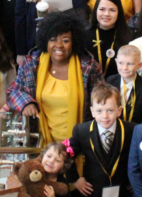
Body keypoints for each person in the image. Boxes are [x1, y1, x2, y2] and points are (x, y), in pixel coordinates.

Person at [7, 10, 105, 142]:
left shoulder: (89, 68)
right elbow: (13, 91)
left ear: (74, 42)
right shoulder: (31, 64)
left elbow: (102, 101)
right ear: (45, 41)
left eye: (65, 40)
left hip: (78, 144)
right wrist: (25, 103)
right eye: (53, 40)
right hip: (39, 144)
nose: (59, 45)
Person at [107, 44, 142, 126]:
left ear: (139, 65)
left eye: (130, 64)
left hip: (135, 132)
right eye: (121, 63)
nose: (125, 68)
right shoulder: (109, 82)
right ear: (116, 62)